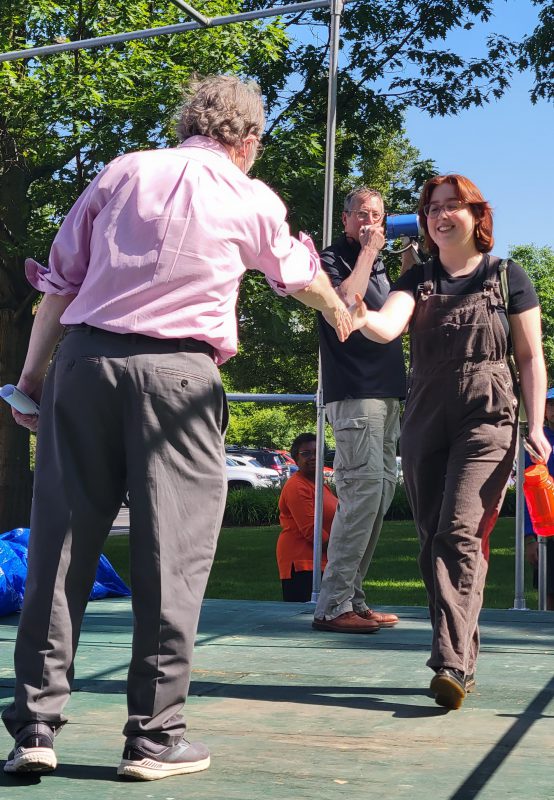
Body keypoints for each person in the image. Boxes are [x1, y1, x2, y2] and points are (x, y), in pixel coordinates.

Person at [2, 75, 353, 781]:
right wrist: (339, 311)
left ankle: (34, 727)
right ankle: (155, 737)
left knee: (60, 549)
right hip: (179, 378)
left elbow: (60, 285)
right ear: (247, 141)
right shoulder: (250, 195)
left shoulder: (125, 169)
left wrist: (34, 378)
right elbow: (297, 275)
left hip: (85, 362)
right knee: (173, 557)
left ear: (188, 122)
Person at [351, 173, 551, 708]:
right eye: (432, 207)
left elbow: (530, 356)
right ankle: (461, 653)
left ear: (476, 215)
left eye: (452, 206)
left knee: (459, 534)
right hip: (426, 417)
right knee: (430, 540)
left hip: (488, 417)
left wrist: (535, 425)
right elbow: (385, 327)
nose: (441, 215)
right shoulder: (415, 280)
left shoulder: (508, 277)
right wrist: (347, 302)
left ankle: (451, 664)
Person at [313, 186, 408, 634]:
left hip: (389, 395)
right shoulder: (330, 261)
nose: (371, 222)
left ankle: (353, 597)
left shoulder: (385, 266)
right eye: (363, 214)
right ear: (346, 218)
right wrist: (369, 251)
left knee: (379, 498)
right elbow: (347, 304)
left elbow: (407, 309)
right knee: (361, 495)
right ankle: (332, 606)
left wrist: (408, 256)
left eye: (379, 216)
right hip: (354, 395)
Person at [276, 433, 338, 601]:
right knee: (305, 619)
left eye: (317, 452)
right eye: (306, 453)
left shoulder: (320, 485)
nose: (313, 457)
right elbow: (312, 530)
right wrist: (341, 552)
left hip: (322, 561)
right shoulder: (296, 486)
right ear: (296, 459)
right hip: (303, 563)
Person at [524, 389, 554, 610]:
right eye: (550, 405)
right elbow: (527, 493)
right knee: (549, 589)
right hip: (547, 527)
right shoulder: (537, 442)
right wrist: (529, 537)